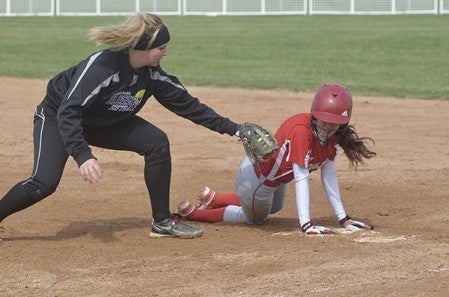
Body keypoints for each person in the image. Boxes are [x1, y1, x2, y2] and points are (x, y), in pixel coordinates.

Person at [0, 12, 245, 239]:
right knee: (44, 183)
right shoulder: (103, 67)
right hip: (57, 116)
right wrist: (83, 155)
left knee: (156, 142)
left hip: (102, 122)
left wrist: (236, 129)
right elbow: (69, 110)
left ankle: (161, 222)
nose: (165, 53)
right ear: (144, 47)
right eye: (161, 47)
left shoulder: (152, 75)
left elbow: (190, 107)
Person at [177, 83, 377, 235]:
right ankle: (194, 214)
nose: (327, 128)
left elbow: (329, 176)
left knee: (275, 206)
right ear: (314, 115)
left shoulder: (333, 138)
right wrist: (306, 225)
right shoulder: (302, 131)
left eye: (334, 124)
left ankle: (215, 199)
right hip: (257, 180)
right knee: (254, 219)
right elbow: (301, 177)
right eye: (324, 122)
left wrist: (344, 219)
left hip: (273, 180)